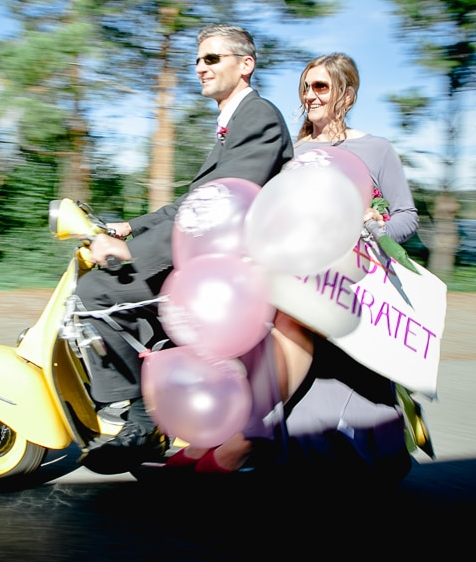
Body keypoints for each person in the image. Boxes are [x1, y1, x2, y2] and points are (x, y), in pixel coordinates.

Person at [164, 52, 420, 482]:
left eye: (321, 86)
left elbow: (407, 218)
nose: (310, 95)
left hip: (347, 275)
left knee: (294, 316)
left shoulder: (376, 149)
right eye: (305, 86)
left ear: (347, 93)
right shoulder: (294, 151)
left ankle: (245, 439)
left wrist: (373, 226)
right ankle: (213, 426)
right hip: (287, 266)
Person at [75, 24, 294, 475]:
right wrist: (129, 227)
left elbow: (218, 207)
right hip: (210, 260)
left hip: (231, 270)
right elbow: (192, 202)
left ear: (245, 64)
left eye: (212, 58)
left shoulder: (259, 118)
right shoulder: (232, 124)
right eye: (197, 60)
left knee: (97, 293)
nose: (200, 67)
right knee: (112, 290)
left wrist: (131, 252)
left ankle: (142, 421)